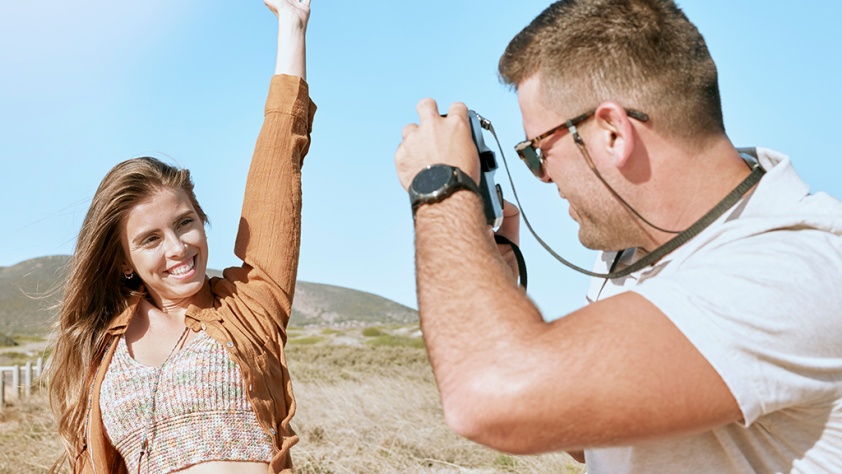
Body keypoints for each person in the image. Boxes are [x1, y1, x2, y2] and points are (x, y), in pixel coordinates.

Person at [393, 0, 842, 472]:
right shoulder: (637, 255)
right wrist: (497, 285)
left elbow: (490, 399)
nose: (541, 177)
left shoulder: (786, 268)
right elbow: (594, 432)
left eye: (536, 151)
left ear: (612, 132)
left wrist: (441, 185)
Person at [46, 1, 315, 472]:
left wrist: (291, 30)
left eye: (185, 223)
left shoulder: (250, 307)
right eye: (150, 239)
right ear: (124, 261)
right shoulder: (99, 348)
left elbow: (278, 171)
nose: (177, 248)